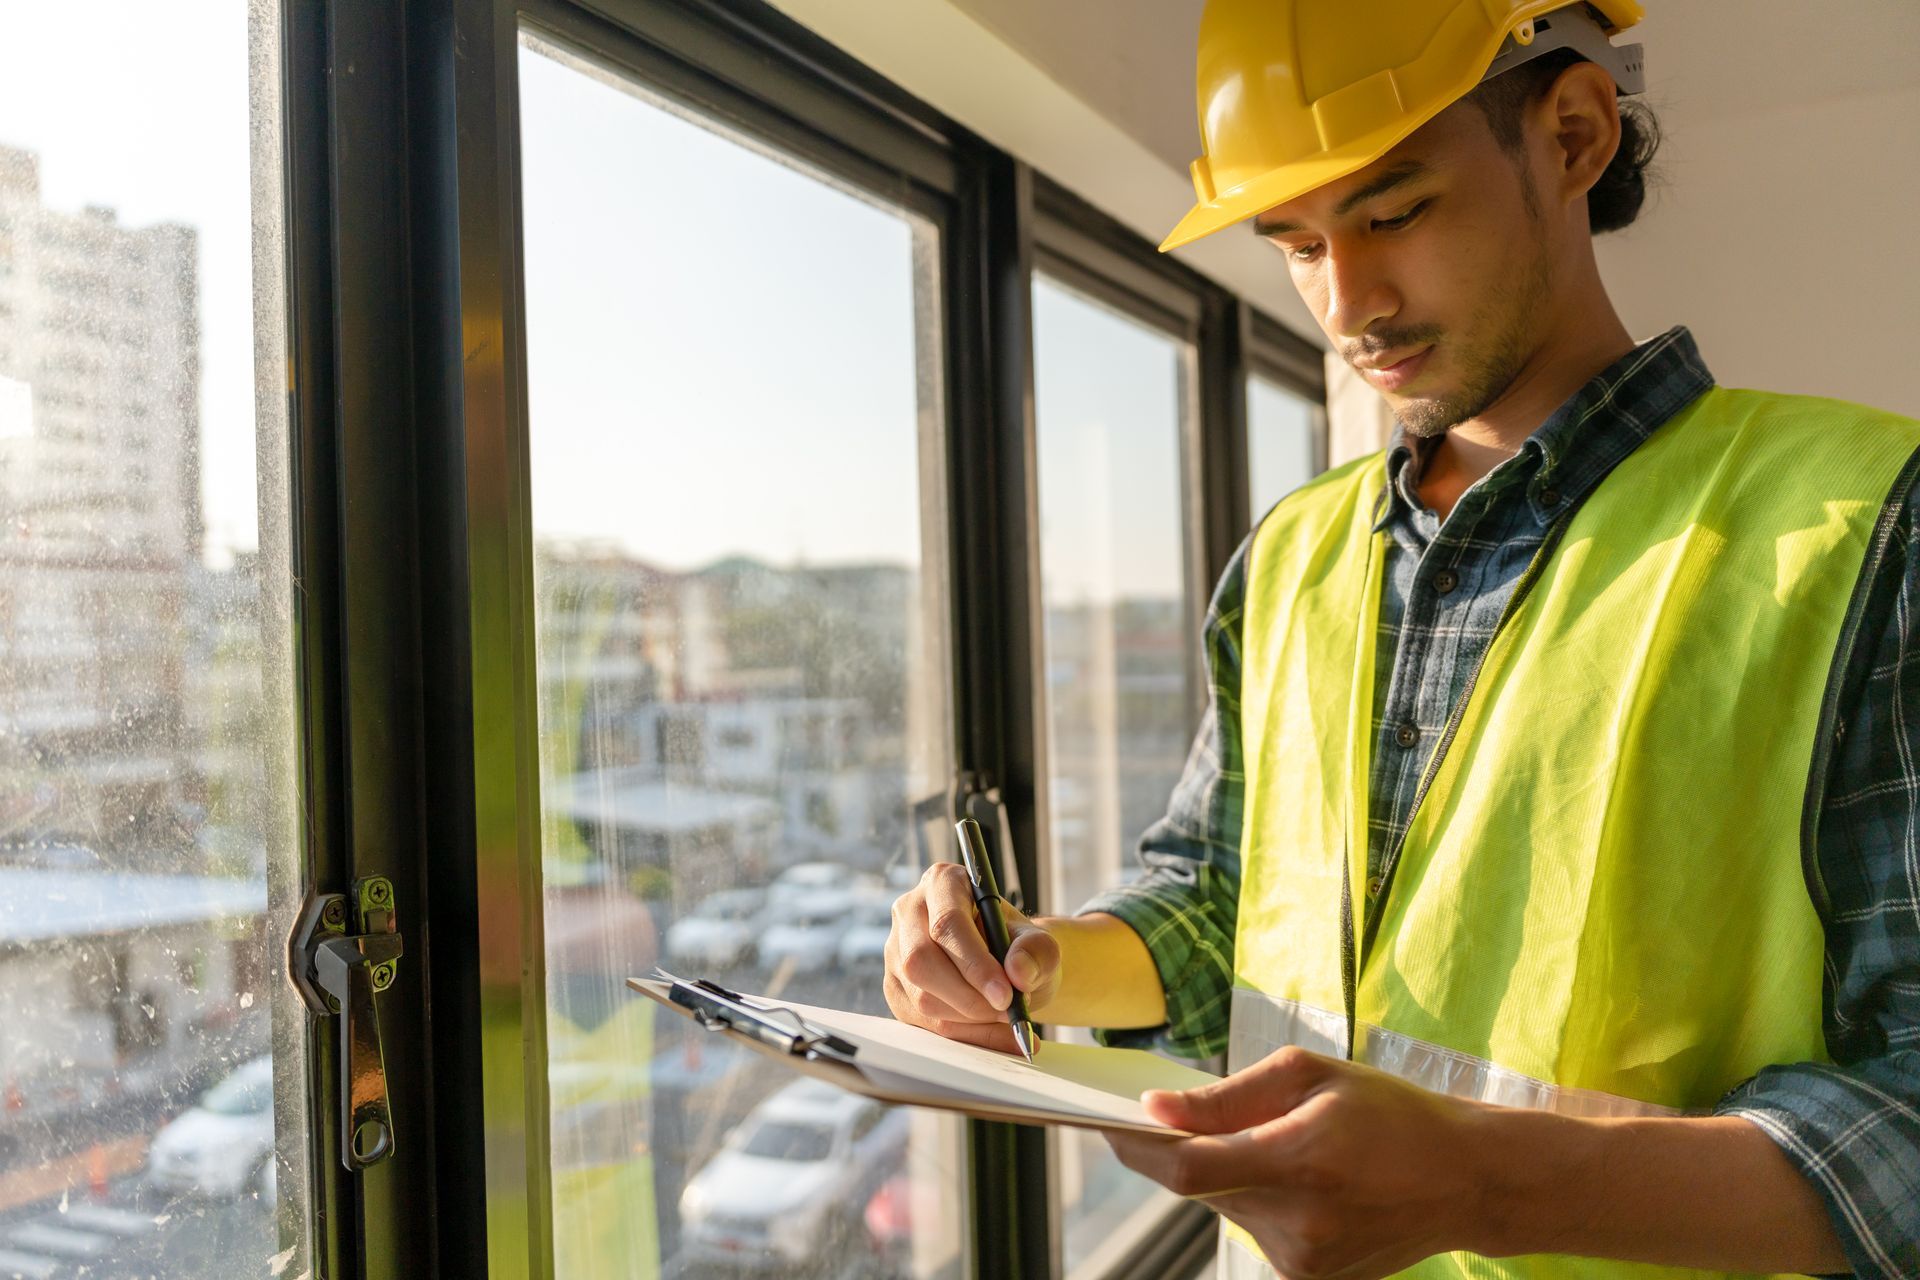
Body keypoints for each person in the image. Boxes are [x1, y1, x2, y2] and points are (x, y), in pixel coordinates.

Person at [882, 2, 1920, 1277]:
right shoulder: (1289, 555)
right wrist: (1034, 967)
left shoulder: (1868, 526)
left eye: (1393, 212)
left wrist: (1484, 1185)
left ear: (1576, 133)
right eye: (1296, 242)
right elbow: (1222, 903)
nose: (1347, 303)